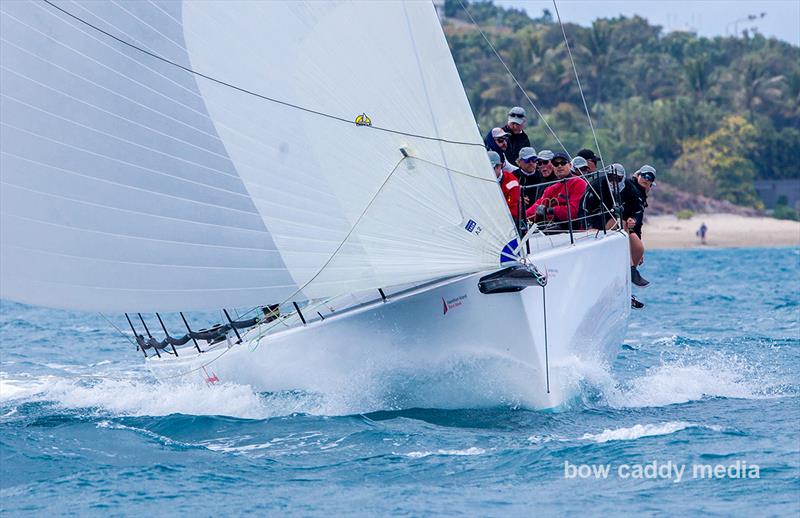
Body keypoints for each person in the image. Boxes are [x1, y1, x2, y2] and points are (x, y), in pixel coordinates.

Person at [526, 151, 588, 231]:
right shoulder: (551, 189)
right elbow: (537, 206)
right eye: (555, 164)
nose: (559, 166)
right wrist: (521, 218)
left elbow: (573, 211)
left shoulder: (579, 183)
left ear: (570, 165)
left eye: (563, 163)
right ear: (553, 167)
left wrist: (550, 210)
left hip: (575, 231)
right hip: (553, 231)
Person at [622, 165, 656, 288]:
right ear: (637, 175)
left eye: (649, 178)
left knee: (639, 249)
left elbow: (638, 223)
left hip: (628, 226)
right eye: (643, 175)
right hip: (618, 224)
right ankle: (630, 272)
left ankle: (626, 283)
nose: (645, 179)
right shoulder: (629, 186)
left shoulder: (641, 197)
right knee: (637, 246)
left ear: (651, 185)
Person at [582, 163, 625, 231]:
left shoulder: (627, 187)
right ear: (607, 176)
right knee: (618, 222)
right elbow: (583, 208)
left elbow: (634, 207)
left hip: (614, 218)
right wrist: (589, 226)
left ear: (623, 178)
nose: (613, 181)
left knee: (624, 224)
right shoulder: (596, 186)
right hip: (595, 220)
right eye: (610, 177)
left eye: (617, 178)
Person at [511, 147, 540, 231]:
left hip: (540, 217)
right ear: (519, 162)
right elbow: (506, 198)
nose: (531, 163)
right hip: (521, 219)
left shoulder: (542, 176)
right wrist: (516, 200)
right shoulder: (513, 177)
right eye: (527, 160)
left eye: (534, 160)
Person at [489, 150, 520, 221]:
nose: (489, 172)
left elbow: (512, 208)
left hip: (508, 220)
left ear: (499, 166)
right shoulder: (482, 179)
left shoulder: (512, 182)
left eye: (491, 169)